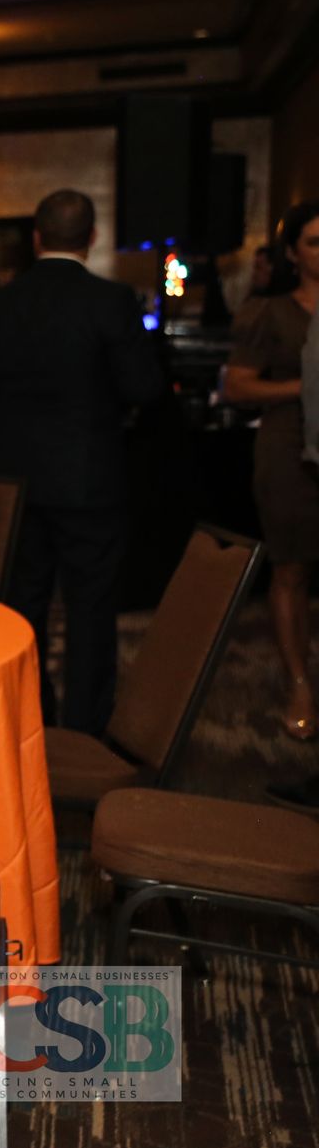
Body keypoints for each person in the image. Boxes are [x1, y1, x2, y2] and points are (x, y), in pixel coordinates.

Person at [0, 188, 164, 735]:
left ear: (36, 237)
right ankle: (83, 733)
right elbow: (143, 388)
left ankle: (27, 716)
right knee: (91, 612)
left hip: (15, 484)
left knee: (21, 608)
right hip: (89, 480)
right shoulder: (111, 301)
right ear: (93, 238)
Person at [226, 200, 319, 748]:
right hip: (288, 451)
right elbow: (238, 387)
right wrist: (304, 389)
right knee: (291, 571)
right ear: (293, 253)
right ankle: (298, 684)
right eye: (314, 242)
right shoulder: (272, 312)